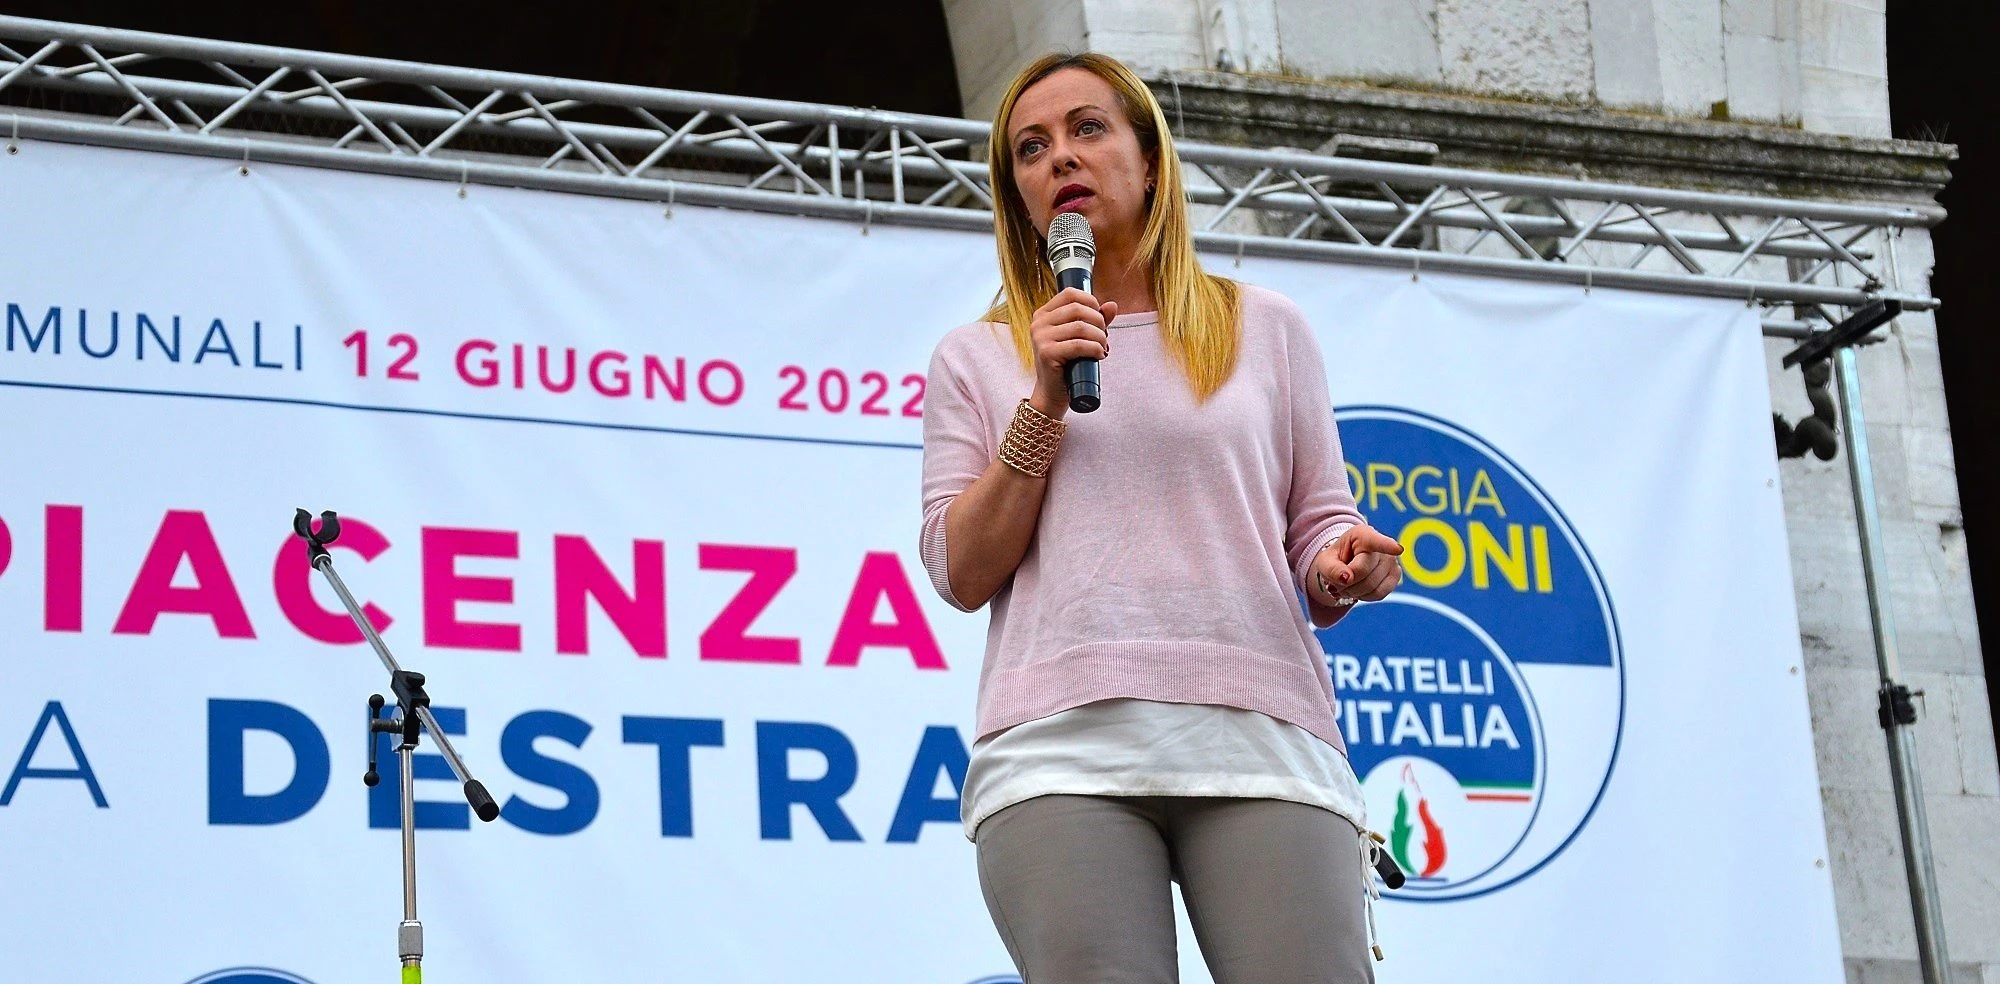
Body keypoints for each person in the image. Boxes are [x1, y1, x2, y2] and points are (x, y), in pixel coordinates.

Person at [918, 51, 1406, 984]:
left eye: (1086, 129)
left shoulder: (1264, 326)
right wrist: (1045, 399)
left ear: (1149, 161)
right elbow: (961, 569)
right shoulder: (976, 357)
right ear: (1017, 194)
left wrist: (1343, 564)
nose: (1061, 157)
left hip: (1260, 730)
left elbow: (1317, 524)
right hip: (1061, 750)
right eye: (1031, 147)